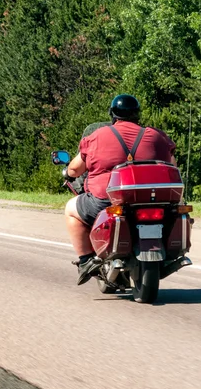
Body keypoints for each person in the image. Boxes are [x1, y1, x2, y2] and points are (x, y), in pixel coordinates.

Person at [64, 94, 177, 285]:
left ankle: (85, 260)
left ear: (113, 115)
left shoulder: (97, 136)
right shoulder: (156, 136)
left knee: (70, 210)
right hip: (154, 199)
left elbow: (75, 169)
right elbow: (173, 165)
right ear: (137, 115)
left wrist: (66, 171)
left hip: (107, 200)